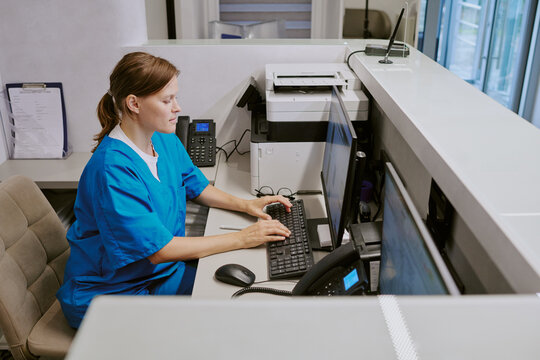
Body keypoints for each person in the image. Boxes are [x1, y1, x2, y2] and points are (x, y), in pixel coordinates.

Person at [57, 52, 291, 328]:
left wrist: (245, 205)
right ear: (134, 103)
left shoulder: (162, 139)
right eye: (167, 100)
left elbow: (196, 185)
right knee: (225, 321)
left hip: (158, 275)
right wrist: (243, 238)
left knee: (242, 299)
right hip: (112, 295)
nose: (177, 108)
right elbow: (159, 250)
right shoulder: (113, 170)